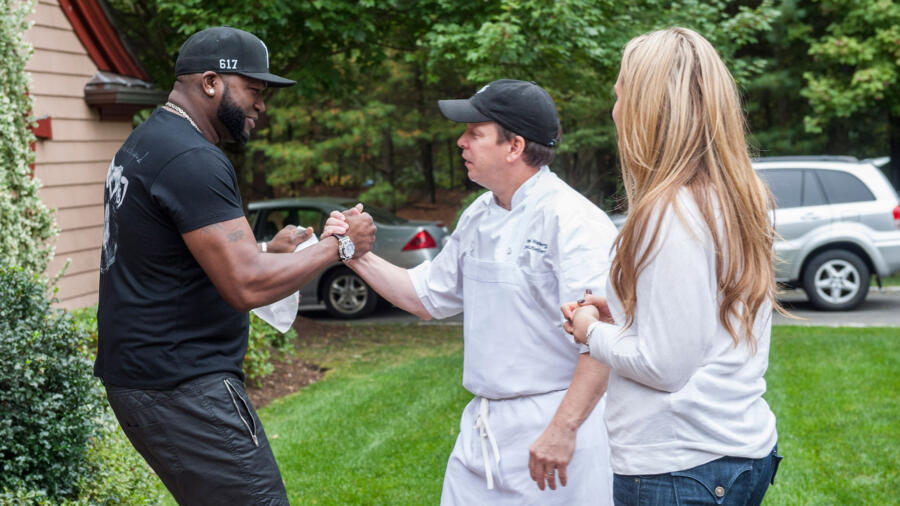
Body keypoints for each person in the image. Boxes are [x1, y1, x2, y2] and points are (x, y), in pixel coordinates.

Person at [94, 26, 376, 505]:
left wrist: (265, 251)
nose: (262, 105)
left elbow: (169, 257)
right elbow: (244, 285)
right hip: (183, 386)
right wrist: (340, 247)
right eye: (254, 90)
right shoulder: (192, 158)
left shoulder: (147, 142)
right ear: (211, 82)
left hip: (145, 378)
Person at [324, 79, 616, 505]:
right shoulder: (478, 214)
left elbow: (603, 340)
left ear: (514, 146)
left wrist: (563, 429)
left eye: (475, 133)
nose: (460, 142)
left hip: (555, 433)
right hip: (482, 431)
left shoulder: (573, 221)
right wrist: (352, 253)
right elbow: (426, 298)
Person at [563, 27, 783, 505]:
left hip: (680, 467)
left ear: (647, 109)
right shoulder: (738, 199)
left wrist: (588, 330)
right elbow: (704, 314)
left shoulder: (669, 212)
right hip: (737, 450)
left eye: (620, 94)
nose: (614, 110)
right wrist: (626, 311)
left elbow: (663, 367)